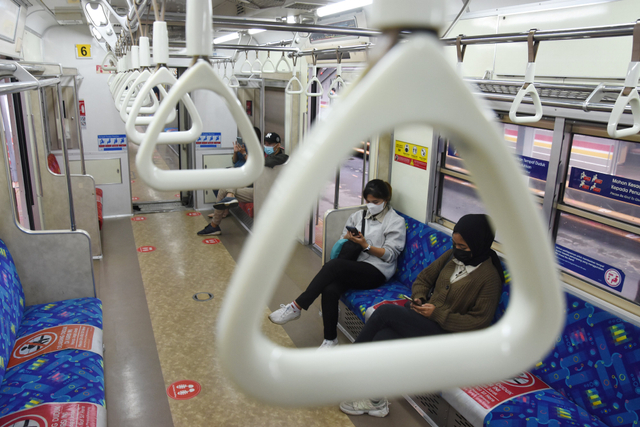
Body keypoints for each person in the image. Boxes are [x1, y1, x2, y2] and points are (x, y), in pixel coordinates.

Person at [339, 214, 504, 418]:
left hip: (452, 335)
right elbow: (424, 279)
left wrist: (438, 313)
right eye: (455, 244)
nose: (457, 250)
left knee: (385, 312)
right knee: (384, 337)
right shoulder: (452, 256)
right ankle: (376, 401)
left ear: (479, 244)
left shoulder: (489, 277)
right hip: (428, 321)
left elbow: (479, 322)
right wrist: (419, 298)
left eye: (463, 247)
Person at [268, 180, 407, 349]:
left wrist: (366, 245)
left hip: (377, 271)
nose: (371, 206)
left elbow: (390, 255)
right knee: (330, 289)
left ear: (386, 199)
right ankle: (330, 339)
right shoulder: (358, 216)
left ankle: (297, 306)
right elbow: (343, 239)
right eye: (368, 201)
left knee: (334, 266)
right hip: (355, 266)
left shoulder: (395, 221)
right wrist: (348, 238)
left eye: (375, 202)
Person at [198, 132, 288, 236]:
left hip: (264, 193)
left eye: (270, 144)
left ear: (278, 145)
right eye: (266, 143)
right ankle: (214, 226)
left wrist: (247, 155)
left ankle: (230, 196)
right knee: (223, 188)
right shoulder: (263, 154)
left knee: (231, 177)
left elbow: (262, 163)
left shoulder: (282, 157)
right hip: (254, 188)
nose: (267, 146)